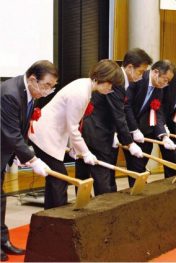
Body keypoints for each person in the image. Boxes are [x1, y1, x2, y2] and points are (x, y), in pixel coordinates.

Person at [28, 59, 123, 209]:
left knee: (55, 179)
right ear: (104, 79)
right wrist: (85, 153)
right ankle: (58, 218)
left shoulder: (84, 86)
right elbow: (73, 128)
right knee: (59, 179)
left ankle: (50, 217)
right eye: (111, 84)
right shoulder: (81, 93)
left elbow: (74, 124)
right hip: (44, 135)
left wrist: (75, 148)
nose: (111, 88)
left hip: (50, 134)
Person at [1, 60, 58, 261]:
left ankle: (3, 241)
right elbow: (10, 132)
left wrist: (19, 154)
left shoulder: (30, 92)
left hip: (5, 150)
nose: (48, 91)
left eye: (52, 87)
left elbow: (22, 127)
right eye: (46, 86)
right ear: (33, 79)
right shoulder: (10, 93)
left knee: (0, 198)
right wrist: (32, 159)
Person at [75, 48, 152, 195]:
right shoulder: (118, 80)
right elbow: (119, 114)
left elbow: (114, 111)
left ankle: (82, 210)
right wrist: (129, 143)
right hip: (96, 132)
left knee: (84, 175)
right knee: (101, 178)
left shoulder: (120, 79)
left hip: (92, 129)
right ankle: (96, 211)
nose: (141, 77)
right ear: (129, 68)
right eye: (140, 72)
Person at [124, 60, 176, 187]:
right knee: (136, 167)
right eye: (164, 79)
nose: (166, 84)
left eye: (168, 81)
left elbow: (157, 111)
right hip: (126, 127)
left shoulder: (160, 88)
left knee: (141, 165)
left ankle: (140, 191)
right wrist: (134, 129)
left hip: (146, 131)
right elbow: (126, 107)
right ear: (155, 72)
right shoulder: (137, 79)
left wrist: (163, 135)